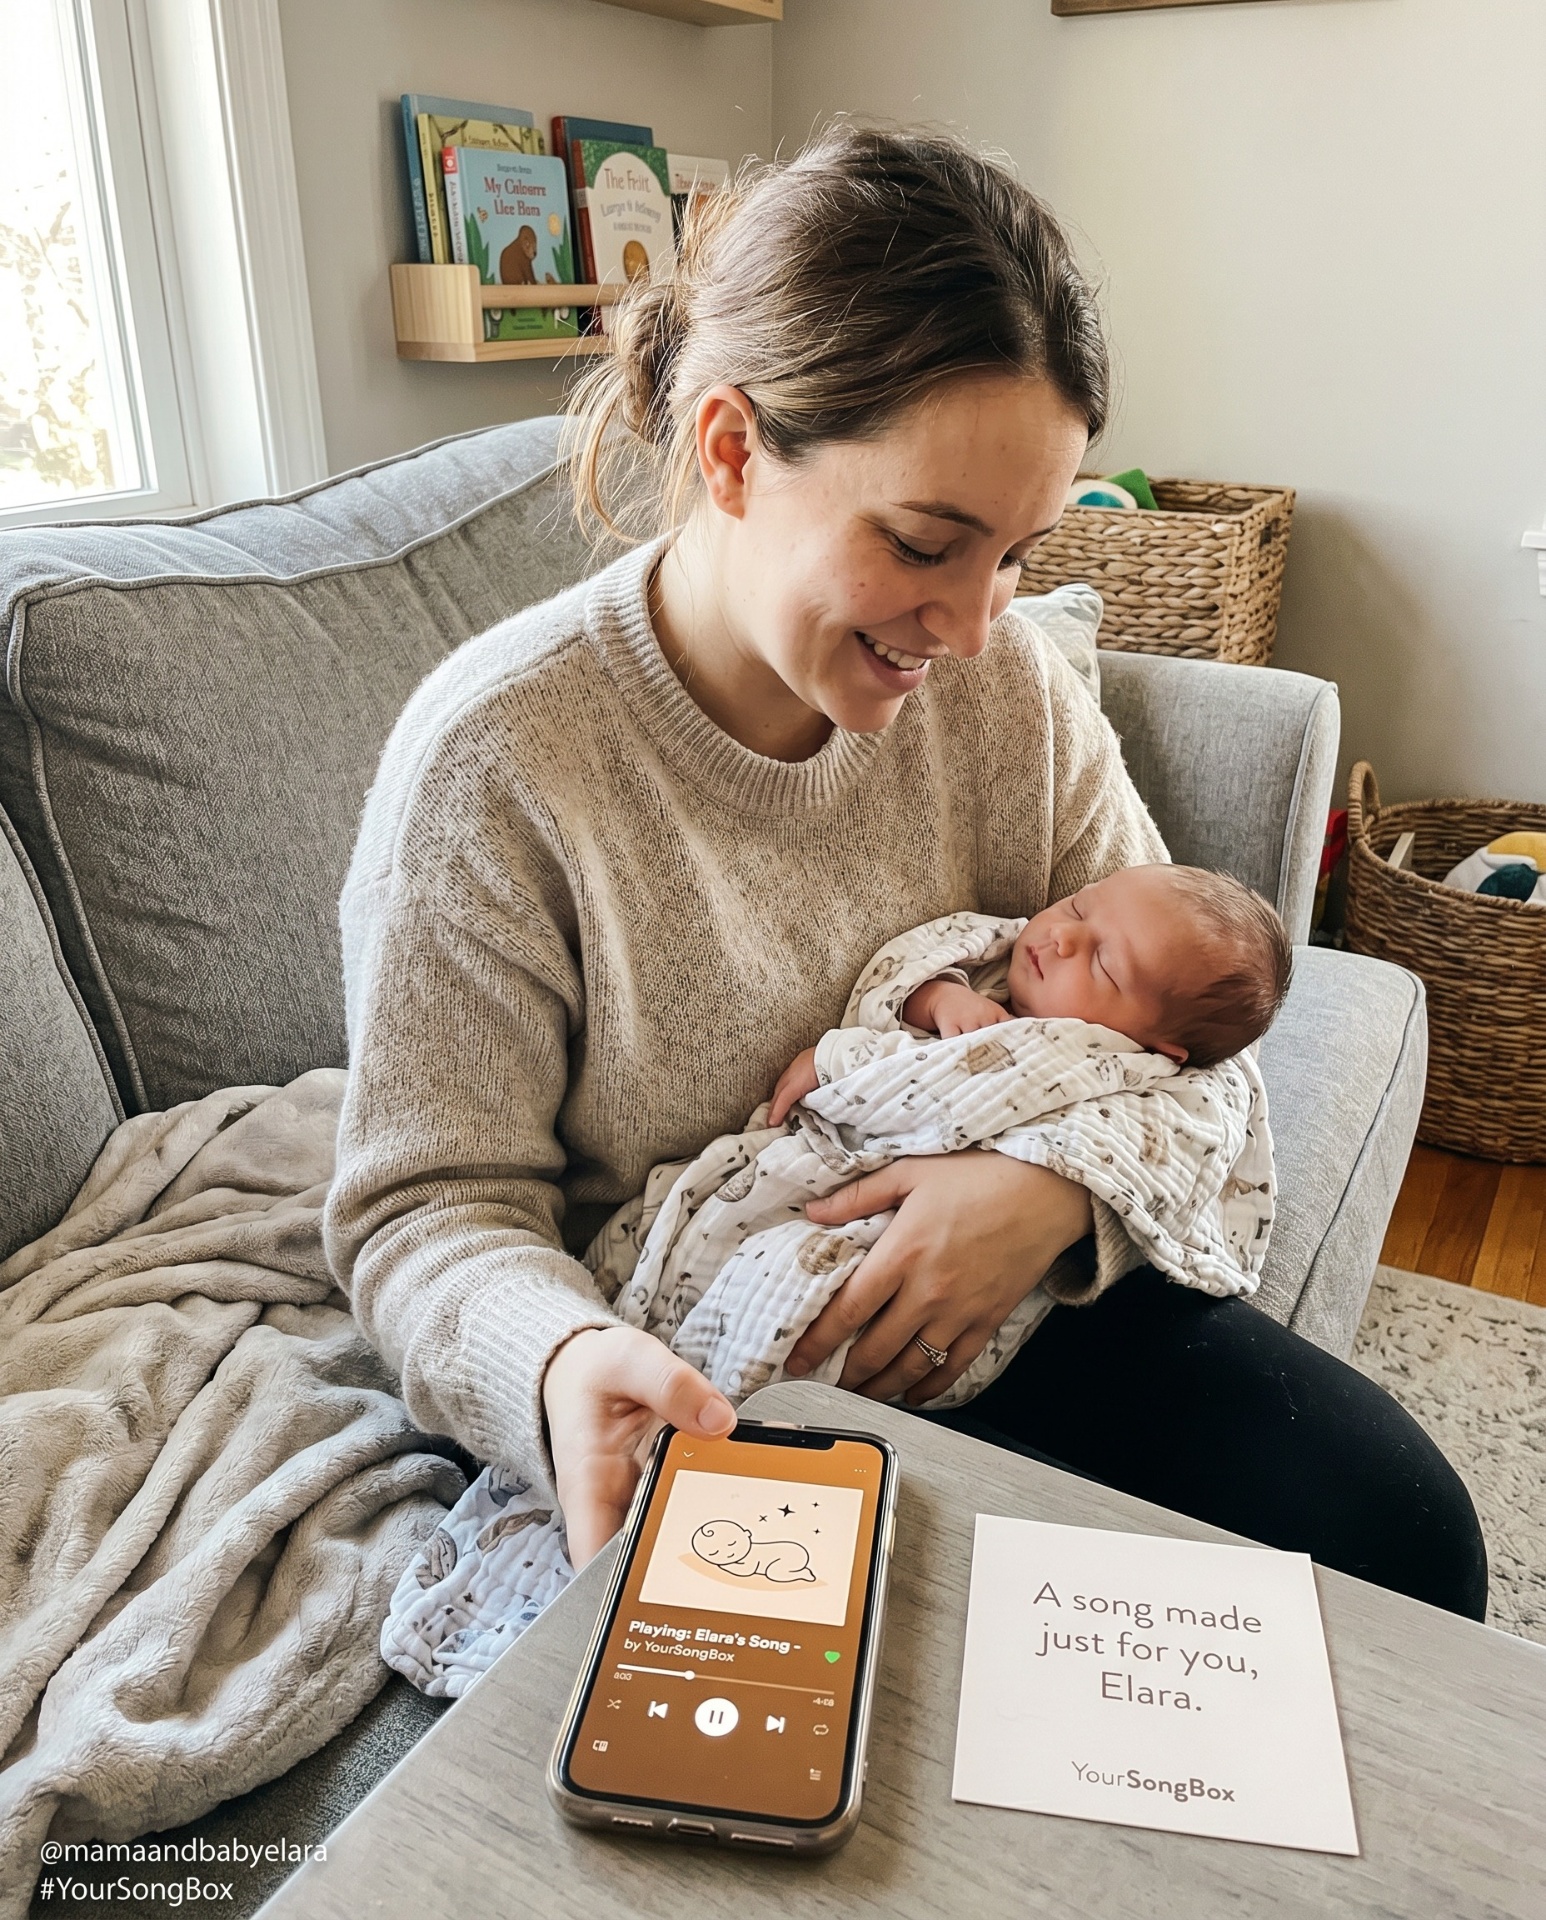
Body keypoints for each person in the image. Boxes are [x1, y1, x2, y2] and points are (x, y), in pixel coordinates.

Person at [324, 126, 1486, 1620]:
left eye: (1014, 553)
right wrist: (558, 1364)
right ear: (732, 450)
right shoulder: (496, 766)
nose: (976, 626)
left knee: (1400, 1534)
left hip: (1006, 1301)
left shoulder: (1007, 698)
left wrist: (1040, 1198)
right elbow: (421, 1214)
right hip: (707, 1347)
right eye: (929, 543)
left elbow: (1190, 1054)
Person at [768, 864, 1293, 1131]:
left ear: (1160, 1048)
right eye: (1078, 908)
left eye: (1104, 964)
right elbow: (896, 983)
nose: (1063, 938)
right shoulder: (989, 961)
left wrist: (841, 1062)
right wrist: (940, 1000)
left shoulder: (1114, 1073)